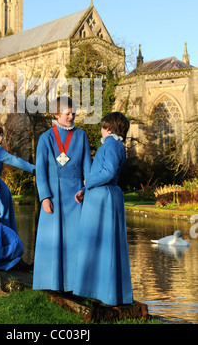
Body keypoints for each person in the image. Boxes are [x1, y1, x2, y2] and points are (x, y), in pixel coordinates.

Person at [73, 112, 133, 306]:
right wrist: (85, 189)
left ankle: (105, 293)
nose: (100, 130)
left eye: (102, 126)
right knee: (100, 244)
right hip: (102, 195)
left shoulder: (112, 144)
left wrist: (87, 181)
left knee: (103, 244)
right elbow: (105, 171)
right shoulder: (115, 145)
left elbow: (108, 172)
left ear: (108, 128)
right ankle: (101, 291)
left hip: (103, 198)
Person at [32, 97, 92, 292]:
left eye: (73, 113)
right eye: (67, 114)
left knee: (75, 239)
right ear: (56, 115)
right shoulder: (46, 137)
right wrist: (45, 197)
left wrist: (86, 189)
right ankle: (49, 283)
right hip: (53, 195)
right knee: (52, 239)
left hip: (76, 195)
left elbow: (87, 168)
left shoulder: (82, 135)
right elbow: (40, 170)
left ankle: (75, 284)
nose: (71, 116)